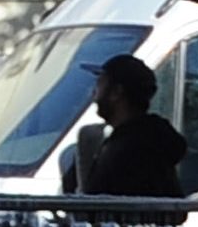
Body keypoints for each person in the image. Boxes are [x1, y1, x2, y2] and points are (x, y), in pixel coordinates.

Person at [79, 54, 188, 198]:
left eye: (100, 84)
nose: (94, 94)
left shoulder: (124, 151)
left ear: (117, 92)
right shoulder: (156, 140)